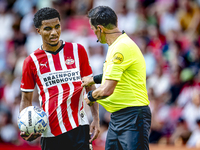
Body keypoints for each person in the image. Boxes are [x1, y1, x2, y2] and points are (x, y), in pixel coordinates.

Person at [19, 7, 100, 150]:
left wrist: (96, 118)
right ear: (38, 31)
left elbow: (90, 86)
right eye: (48, 29)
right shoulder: (31, 62)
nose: (54, 32)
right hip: (50, 132)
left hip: (79, 127)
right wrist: (24, 126)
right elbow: (26, 98)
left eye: (57, 27)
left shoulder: (78, 50)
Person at [82, 6, 151, 150]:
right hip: (118, 118)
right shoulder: (116, 45)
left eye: (92, 29)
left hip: (133, 116)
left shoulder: (121, 47)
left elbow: (107, 89)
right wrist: (93, 79)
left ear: (100, 28)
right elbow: (113, 75)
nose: (93, 33)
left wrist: (90, 96)